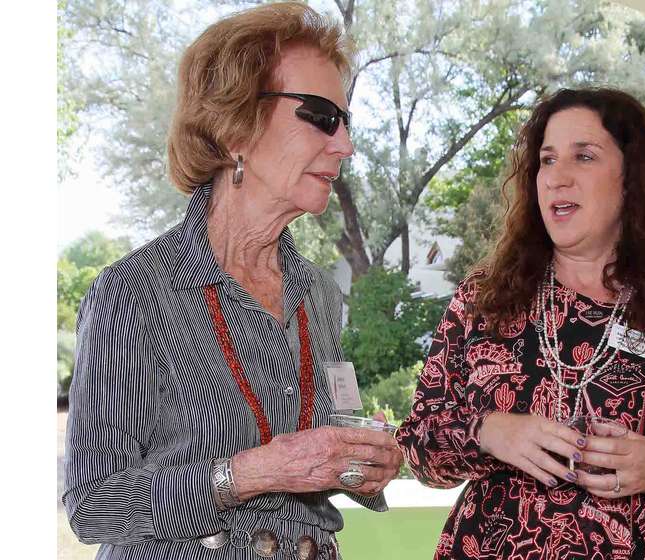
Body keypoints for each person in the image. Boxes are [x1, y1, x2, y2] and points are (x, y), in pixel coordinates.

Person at [62, 3, 403, 559]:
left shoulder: (318, 294)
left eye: (346, 123)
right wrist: (253, 473)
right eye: (321, 115)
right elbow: (95, 504)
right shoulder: (133, 293)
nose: (344, 145)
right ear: (234, 126)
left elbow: (331, 434)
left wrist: (364, 464)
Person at [395, 88, 645, 559]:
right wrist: (488, 432)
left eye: (583, 156)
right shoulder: (484, 299)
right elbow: (420, 443)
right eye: (547, 160)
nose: (557, 177)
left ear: (631, 180)